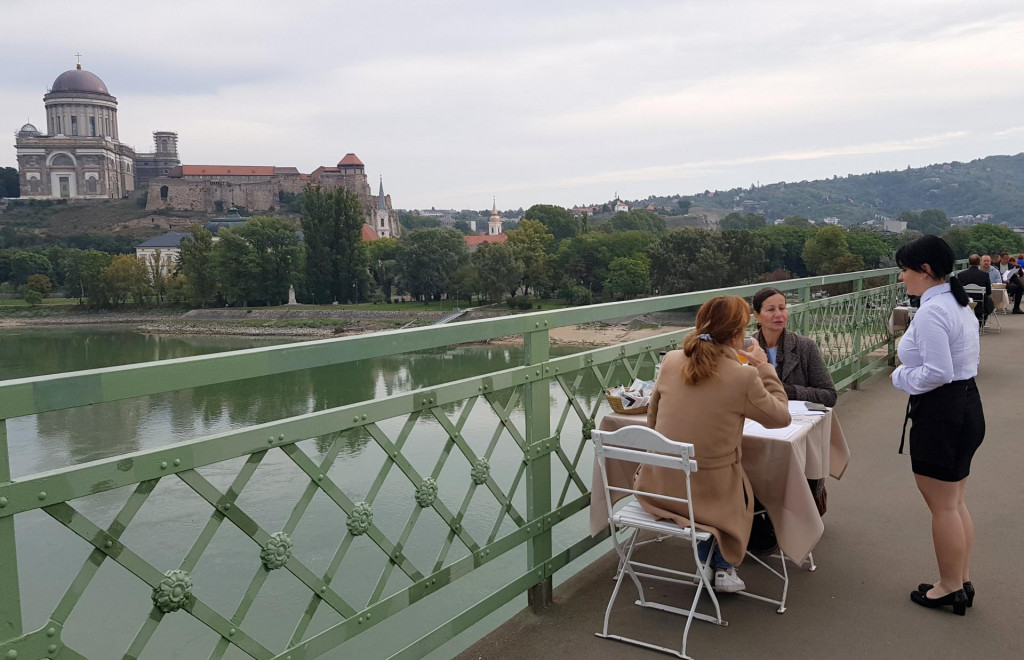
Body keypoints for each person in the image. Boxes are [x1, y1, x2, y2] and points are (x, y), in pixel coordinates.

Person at [636, 295, 790, 592]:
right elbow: (780, 417)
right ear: (737, 334)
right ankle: (722, 566)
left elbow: (652, 423)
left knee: (706, 472)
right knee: (737, 481)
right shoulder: (743, 376)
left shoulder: (671, 360)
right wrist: (763, 367)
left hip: (658, 488)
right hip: (708, 500)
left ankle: (712, 564)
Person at [891, 235, 984, 616]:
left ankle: (948, 587)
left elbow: (938, 372)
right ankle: (960, 580)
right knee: (955, 501)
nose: (901, 277)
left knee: (943, 507)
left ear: (925, 271)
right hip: (966, 405)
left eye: (906, 269)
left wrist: (900, 377)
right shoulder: (957, 302)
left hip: (943, 413)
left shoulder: (932, 311)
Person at [751, 287, 838, 407]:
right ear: (757, 316)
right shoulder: (746, 349)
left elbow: (829, 396)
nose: (778, 314)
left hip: (798, 421)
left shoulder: (806, 346)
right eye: (771, 310)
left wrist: (791, 391)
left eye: (782, 308)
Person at [955, 254, 992, 326]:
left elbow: (958, 290)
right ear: (979, 263)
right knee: (990, 303)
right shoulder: (985, 275)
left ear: (969, 263)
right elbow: (988, 292)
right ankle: (981, 323)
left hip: (966, 301)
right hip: (981, 303)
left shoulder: (961, 275)